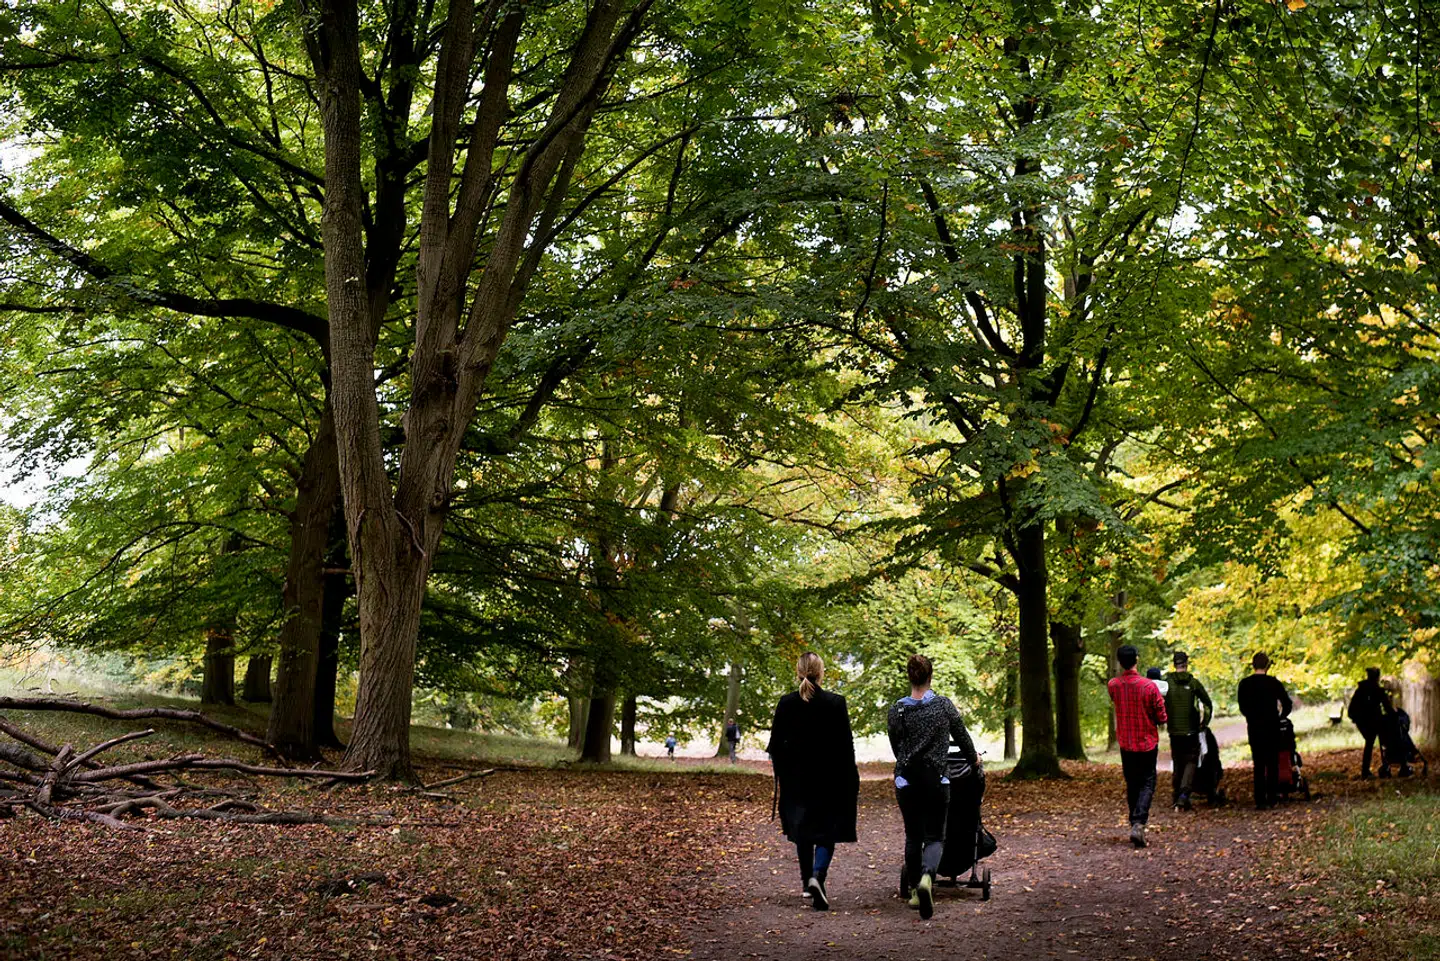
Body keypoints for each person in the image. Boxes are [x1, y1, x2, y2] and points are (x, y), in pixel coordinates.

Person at [887, 654, 979, 920]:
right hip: (937, 780)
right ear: (930, 677)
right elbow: (963, 737)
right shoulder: (943, 706)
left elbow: (897, 746)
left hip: (907, 782)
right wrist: (974, 760)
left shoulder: (897, 709)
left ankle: (916, 891)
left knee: (913, 836)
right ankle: (928, 878)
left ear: (909, 677)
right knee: (935, 836)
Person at [767, 652, 859, 912]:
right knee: (827, 830)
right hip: (830, 779)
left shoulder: (786, 703)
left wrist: (783, 772)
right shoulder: (835, 703)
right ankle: (818, 876)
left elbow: (775, 746)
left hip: (796, 780)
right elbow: (846, 747)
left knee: (803, 831)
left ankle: (807, 885)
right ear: (821, 673)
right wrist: (851, 777)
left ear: (799, 672)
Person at [1237, 651, 1292, 810]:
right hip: (1272, 727)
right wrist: (1280, 716)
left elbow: (1242, 706)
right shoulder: (1274, 683)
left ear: (1253, 665)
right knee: (1272, 763)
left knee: (1259, 764)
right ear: (1267, 665)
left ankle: (1260, 800)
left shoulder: (1245, 684)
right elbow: (1287, 704)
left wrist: (1251, 716)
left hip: (1255, 727)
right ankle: (1272, 797)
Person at [1163, 651, 1213, 811]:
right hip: (1191, 730)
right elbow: (1208, 704)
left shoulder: (1167, 684)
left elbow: (1158, 703)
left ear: (1174, 664)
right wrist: (1204, 723)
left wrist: (1164, 720)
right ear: (1186, 664)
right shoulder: (1193, 683)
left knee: (1177, 762)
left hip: (1174, 730)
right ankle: (1184, 795)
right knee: (1191, 761)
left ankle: (1176, 796)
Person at [1347, 668, 1394, 779]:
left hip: (1362, 721)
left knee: (1369, 743)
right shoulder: (1378, 691)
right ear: (1377, 677)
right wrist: (1393, 715)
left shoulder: (1361, 690)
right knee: (1380, 742)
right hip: (1372, 721)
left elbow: (1351, 709)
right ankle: (1372, 769)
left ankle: (1366, 771)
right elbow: (1387, 707)